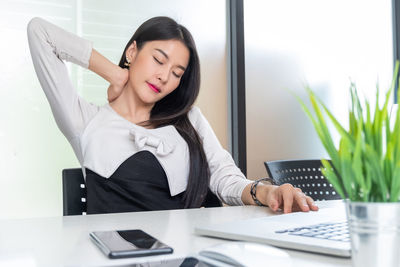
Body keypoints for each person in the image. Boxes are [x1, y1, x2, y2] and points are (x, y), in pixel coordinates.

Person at [27, 16, 318, 214]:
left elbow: (226, 178)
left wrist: (264, 192)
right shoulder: (85, 121)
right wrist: (115, 74)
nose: (164, 76)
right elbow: (39, 32)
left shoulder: (189, 118)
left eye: (177, 73)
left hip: (188, 253)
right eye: (158, 59)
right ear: (132, 51)